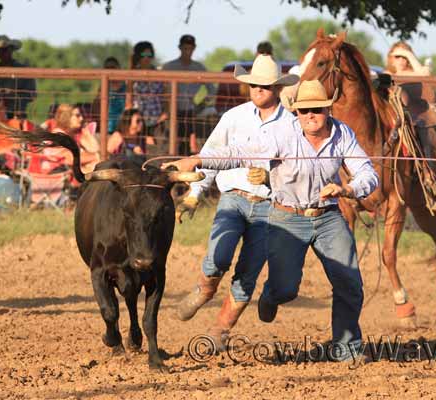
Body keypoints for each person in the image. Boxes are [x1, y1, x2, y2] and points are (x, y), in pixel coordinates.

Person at [167, 80, 379, 360]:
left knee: (349, 283)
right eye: (304, 111)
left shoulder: (343, 134)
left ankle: (346, 348)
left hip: (328, 216)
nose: (310, 115)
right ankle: (271, 295)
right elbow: (240, 153)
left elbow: (367, 173)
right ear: (297, 112)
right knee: (285, 288)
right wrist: (198, 160)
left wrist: (348, 189)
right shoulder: (282, 133)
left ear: (327, 109)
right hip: (287, 216)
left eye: (316, 109)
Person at [174, 54, 298, 350]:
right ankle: (205, 290)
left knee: (249, 272)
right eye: (254, 84)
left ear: (278, 88)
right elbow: (212, 154)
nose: (259, 90)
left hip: (269, 206)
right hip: (232, 198)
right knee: (218, 256)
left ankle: (220, 330)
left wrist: (271, 178)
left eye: (265, 86)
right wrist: (195, 193)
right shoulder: (234, 117)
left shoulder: (292, 126)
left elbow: (297, 172)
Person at [162, 35, 216, 155]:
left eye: (190, 48)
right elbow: (161, 89)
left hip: (189, 111)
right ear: (180, 48)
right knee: (169, 142)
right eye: (185, 48)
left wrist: (200, 104)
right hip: (171, 111)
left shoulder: (199, 68)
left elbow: (212, 90)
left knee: (186, 143)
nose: (187, 51)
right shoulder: (169, 67)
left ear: (194, 48)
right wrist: (165, 107)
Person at [0, 35, 37, 119]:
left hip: (17, 117)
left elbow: (32, 95)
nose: (1, 53)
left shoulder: (23, 71)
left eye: (4, 50)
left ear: (11, 50)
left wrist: (12, 95)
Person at [44, 104, 100, 176]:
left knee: (96, 164)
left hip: (65, 171)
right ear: (66, 117)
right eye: (77, 115)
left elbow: (95, 149)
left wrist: (87, 134)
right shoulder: (60, 136)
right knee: (96, 164)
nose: (81, 118)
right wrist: (96, 156)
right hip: (57, 173)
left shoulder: (71, 135)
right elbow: (70, 159)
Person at [128, 41, 167, 136]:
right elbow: (129, 100)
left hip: (158, 121)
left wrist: (165, 114)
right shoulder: (131, 75)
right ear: (138, 56)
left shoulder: (160, 74)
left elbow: (166, 97)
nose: (146, 58)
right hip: (139, 122)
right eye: (143, 54)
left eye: (149, 54)